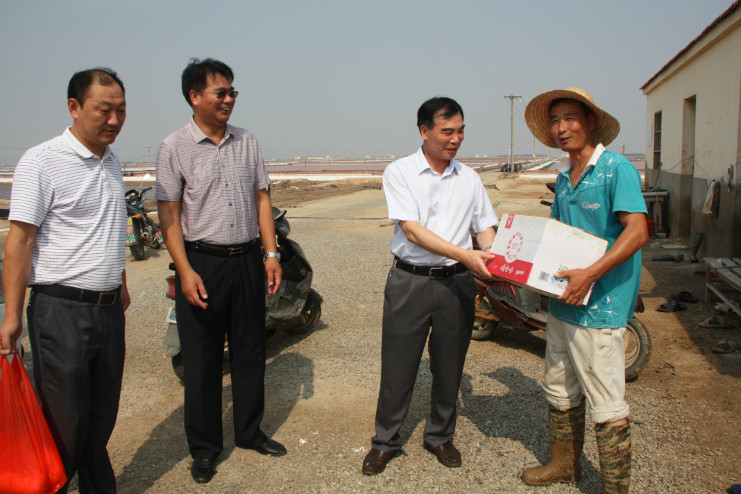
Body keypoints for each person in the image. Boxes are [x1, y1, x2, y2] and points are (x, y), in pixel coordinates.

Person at [0, 68, 130, 493]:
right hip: (61, 311)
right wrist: (11, 316)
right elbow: (20, 240)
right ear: (74, 107)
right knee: (66, 422)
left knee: (101, 415)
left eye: (121, 110)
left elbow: (108, 225)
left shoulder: (112, 160)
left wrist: (120, 281)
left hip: (108, 311)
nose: (114, 120)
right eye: (103, 110)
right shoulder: (42, 161)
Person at [156, 58, 284, 484]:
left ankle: (249, 431)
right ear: (195, 97)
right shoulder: (174, 146)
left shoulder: (247, 141)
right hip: (202, 263)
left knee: (250, 352)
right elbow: (169, 214)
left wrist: (270, 254)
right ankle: (205, 448)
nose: (229, 99)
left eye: (233, 93)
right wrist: (184, 269)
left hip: (246, 259)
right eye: (221, 92)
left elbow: (262, 199)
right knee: (202, 360)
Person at [362, 97, 498, 475]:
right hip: (411, 280)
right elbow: (412, 231)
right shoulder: (400, 172)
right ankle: (385, 441)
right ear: (424, 131)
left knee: (450, 364)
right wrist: (467, 254)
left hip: (457, 282)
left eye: (461, 131)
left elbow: (485, 227)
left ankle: (439, 436)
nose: (456, 139)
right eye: (447, 131)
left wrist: (494, 257)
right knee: (399, 364)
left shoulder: (469, 178)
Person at [521, 88, 648, 494]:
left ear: (591, 122)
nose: (561, 128)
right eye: (555, 120)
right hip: (564, 302)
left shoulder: (615, 169)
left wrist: (590, 274)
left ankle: (615, 488)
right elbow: (557, 236)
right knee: (559, 386)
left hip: (602, 304)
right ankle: (564, 465)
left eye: (570, 117)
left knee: (606, 401)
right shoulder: (564, 177)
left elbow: (638, 231)